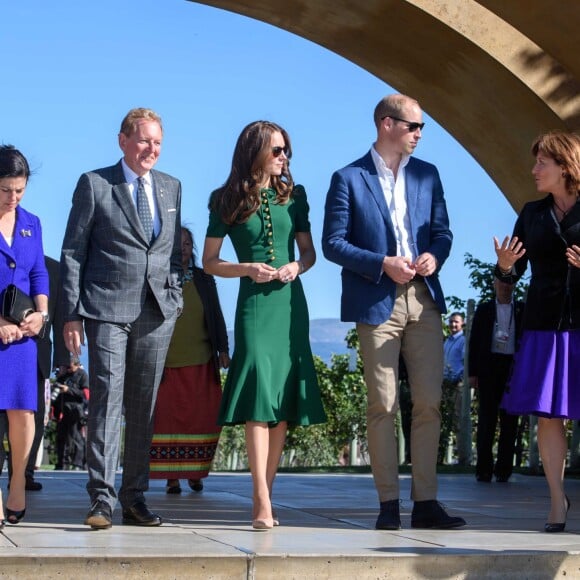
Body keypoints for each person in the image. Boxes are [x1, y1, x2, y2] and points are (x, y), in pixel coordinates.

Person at [322, 94, 465, 530]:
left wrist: (434, 257)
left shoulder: (428, 175)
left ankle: (425, 503)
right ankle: (388, 505)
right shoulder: (348, 177)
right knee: (382, 403)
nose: (420, 134)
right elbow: (333, 243)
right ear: (386, 124)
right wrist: (381, 262)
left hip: (424, 298)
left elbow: (443, 233)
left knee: (428, 403)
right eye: (413, 126)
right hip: (376, 298)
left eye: (422, 127)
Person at [60, 108, 183, 529]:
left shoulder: (171, 188)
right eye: (144, 140)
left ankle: (134, 497)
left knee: (143, 408)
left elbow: (172, 253)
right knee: (108, 401)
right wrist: (71, 314)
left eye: (158, 143)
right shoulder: (95, 184)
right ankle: (101, 499)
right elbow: (74, 252)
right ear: (123, 141)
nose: (152, 149)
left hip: (156, 312)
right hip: (105, 309)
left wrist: (175, 296)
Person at [203, 120, 326, 530]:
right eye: (276, 150)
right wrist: (247, 269)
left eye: (286, 150)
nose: (284, 157)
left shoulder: (296, 196)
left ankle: (267, 494)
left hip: (291, 305)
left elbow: (309, 253)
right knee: (258, 393)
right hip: (254, 305)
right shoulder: (225, 200)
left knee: (282, 401)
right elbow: (209, 262)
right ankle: (259, 498)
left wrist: (295, 265)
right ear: (255, 152)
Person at [494, 130, 580, 533]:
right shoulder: (530, 214)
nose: (533, 170)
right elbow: (508, 280)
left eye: (541, 163)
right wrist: (506, 266)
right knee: (548, 417)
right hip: (545, 328)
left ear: (565, 166)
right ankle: (556, 501)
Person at [150, 226, 230, 493]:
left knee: (202, 418)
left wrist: (223, 349)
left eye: (187, 243)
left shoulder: (203, 278)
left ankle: (195, 472)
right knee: (167, 419)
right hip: (166, 362)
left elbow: (216, 313)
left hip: (201, 360)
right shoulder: (157, 277)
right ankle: (172, 477)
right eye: (178, 243)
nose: (183, 248)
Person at [0, 145, 49, 526]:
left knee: (23, 413)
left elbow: (38, 275)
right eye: (5, 190)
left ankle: (17, 480)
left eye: (19, 189)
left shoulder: (32, 221)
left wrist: (42, 314)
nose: (13, 197)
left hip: (23, 338)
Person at [469, 279, 524, 483]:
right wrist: (473, 373)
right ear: (494, 284)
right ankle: (483, 469)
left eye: (509, 284)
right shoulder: (484, 310)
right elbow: (474, 341)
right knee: (486, 419)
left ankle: (504, 469)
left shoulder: (521, 310)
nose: (505, 287)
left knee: (510, 421)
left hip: (512, 368)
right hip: (489, 367)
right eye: (501, 283)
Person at [51, 357, 89, 470]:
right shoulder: (64, 376)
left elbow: (86, 394)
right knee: (61, 438)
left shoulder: (82, 375)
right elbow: (56, 393)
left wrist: (69, 390)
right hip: (63, 411)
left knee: (76, 438)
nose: (68, 368)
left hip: (76, 412)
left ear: (76, 364)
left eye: (70, 366)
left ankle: (78, 463)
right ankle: (62, 463)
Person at [440, 312, 465, 463]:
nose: (453, 324)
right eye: (451, 322)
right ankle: (444, 456)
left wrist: (458, 378)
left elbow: (465, 362)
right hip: (446, 384)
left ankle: (463, 457)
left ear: (462, 323)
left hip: (458, 385)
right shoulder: (447, 342)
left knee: (458, 419)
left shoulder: (463, 341)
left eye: (456, 322)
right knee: (445, 420)